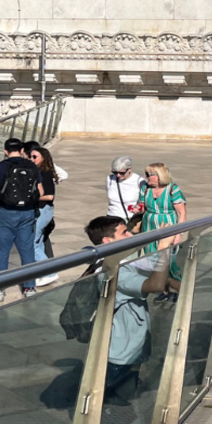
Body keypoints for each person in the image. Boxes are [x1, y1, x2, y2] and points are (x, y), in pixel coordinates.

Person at [84, 216, 174, 406]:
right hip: (120, 352)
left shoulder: (120, 261)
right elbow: (156, 284)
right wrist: (164, 247)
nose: (131, 234)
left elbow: (149, 268)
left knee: (125, 394)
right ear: (107, 241)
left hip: (129, 345)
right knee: (113, 402)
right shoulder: (113, 271)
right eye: (124, 232)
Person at [0, 137, 44, 302]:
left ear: (5, 151)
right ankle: (29, 287)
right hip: (28, 213)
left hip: (6, 213)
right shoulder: (32, 166)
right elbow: (41, 192)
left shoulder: (0, 167)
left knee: (2, 251)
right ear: (23, 150)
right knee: (27, 250)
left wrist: (1, 190)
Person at [140, 162, 187, 298]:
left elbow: (181, 213)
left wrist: (178, 234)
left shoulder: (173, 189)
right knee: (153, 258)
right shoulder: (145, 188)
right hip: (149, 227)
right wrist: (138, 208)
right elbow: (142, 206)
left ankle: (177, 290)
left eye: (150, 175)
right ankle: (163, 289)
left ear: (159, 176)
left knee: (169, 260)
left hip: (168, 228)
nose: (146, 177)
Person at [30, 146, 60, 287]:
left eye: (35, 157)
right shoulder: (39, 172)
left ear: (43, 158)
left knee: (33, 243)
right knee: (39, 242)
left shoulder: (45, 173)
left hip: (43, 210)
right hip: (43, 210)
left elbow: (49, 196)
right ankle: (44, 272)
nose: (31, 159)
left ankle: (50, 273)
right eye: (30, 156)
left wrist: (32, 198)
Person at [106, 156, 146, 222]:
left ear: (130, 169)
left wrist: (137, 208)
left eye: (121, 172)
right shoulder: (109, 179)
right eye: (115, 172)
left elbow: (144, 201)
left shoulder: (139, 181)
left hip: (132, 218)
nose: (118, 175)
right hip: (112, 217)